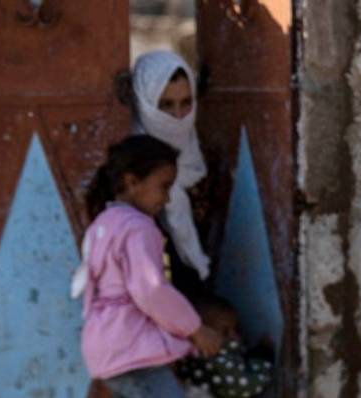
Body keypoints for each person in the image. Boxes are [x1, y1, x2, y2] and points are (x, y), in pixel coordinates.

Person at [78, 135, 223, 397]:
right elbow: (151, 289)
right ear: (132, 182)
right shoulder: (138, 227)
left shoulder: (103, 224)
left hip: (105, 346)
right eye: (164, 187)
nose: (166, 199)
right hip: (132, 347)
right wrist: (195, 328)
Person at [128, 50, 212, 297]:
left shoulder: (197, 160)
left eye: (186, 103)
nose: (178, 116)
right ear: (144, 103)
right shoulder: (130, 170)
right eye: (166, 105)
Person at [177, 296, 274, 398]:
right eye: (225, 333)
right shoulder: (211, 361)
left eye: (237, 329)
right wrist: (262, 355)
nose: (235, 337)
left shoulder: (188, 358)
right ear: (203, 336)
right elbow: (248, 385)